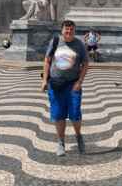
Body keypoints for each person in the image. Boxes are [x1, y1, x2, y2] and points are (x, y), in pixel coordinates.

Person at [41, 20, 89, 156]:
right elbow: (47, 60)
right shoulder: (55, 41)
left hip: (73, 84)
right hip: (56, 84)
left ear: (74, 31)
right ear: (62, 30)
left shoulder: (79, 44)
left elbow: (85, 63)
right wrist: (44, 80)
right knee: (58, 114)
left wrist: (80, 82)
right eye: (66, 30)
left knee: (75, 113)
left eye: (71, 30)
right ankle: (61, 142)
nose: (69, 32)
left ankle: (78, 136)